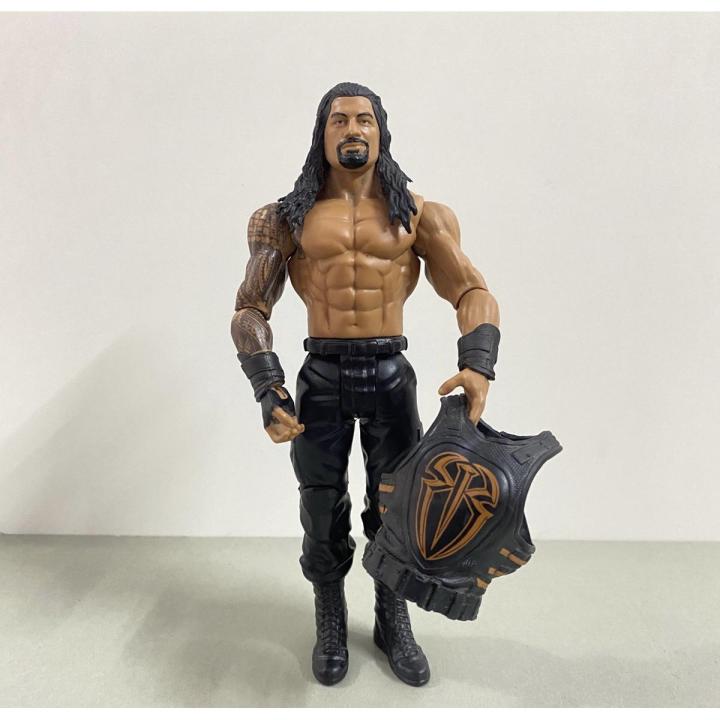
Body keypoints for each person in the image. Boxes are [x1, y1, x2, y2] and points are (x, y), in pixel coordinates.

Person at [231, 82, 500, 687]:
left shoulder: (420, 214)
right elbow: (250, 309)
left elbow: (470, 289)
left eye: (364, 119)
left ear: (381, 131)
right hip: (321, 375)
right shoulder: (285, 218)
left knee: (394, 505)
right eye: (339, 120)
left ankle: (391, 617)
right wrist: (268, 386)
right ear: (321, 133)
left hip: (389, 374)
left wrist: (478, 362)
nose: (352, 129)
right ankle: (330, 617)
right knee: (320, 503)